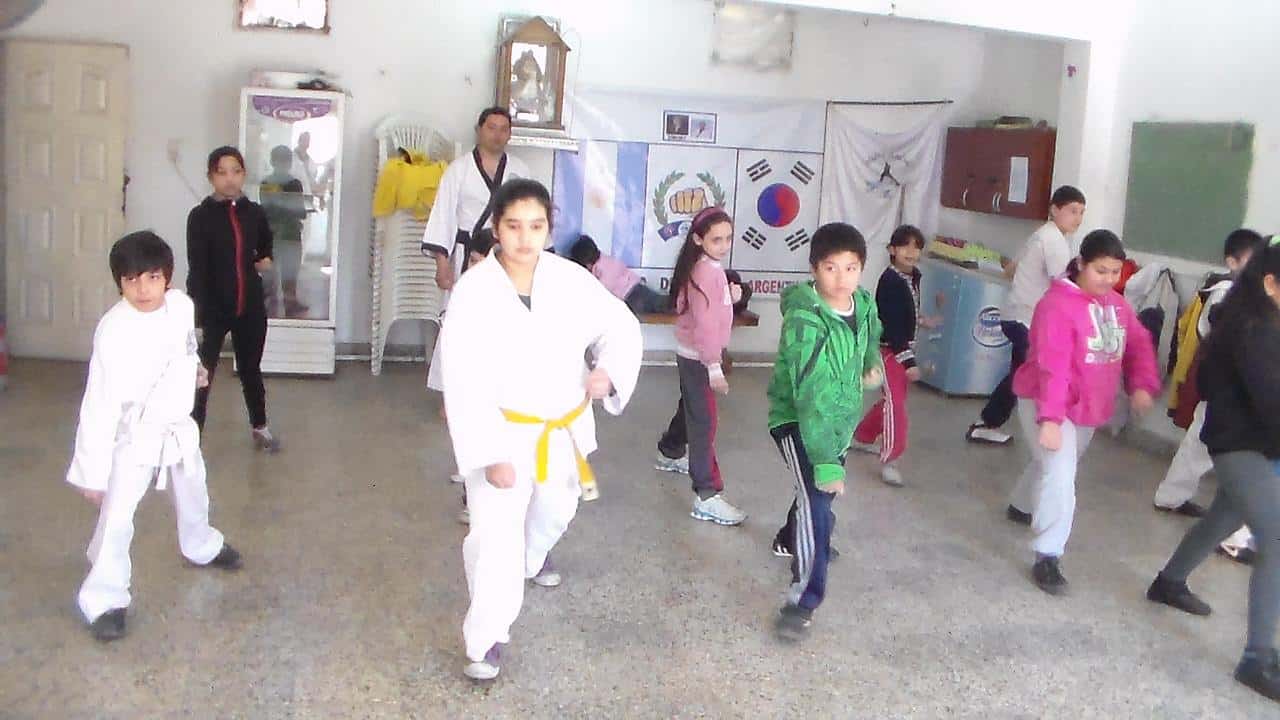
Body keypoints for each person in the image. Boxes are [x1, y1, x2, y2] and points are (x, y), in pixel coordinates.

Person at [440, 179, 642, 681]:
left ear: (549, 230)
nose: (524, 238)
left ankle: (530, 559)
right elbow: (461, 377)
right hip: (503, 431)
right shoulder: (474, 292)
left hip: (561, 429)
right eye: (513, 226)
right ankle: (486, 638)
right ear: (496, 228)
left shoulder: (570, 279)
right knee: (494, 537)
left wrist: (608, 371)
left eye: (535, 226)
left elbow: (620, 326)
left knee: (556, 510)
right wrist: (489, 453)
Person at [68, 231, 242, 642]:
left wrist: (195, 371)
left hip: (178, 428)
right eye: (131, 280)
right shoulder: (114, 330)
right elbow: (99, 403)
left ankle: (201, 544)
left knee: (194, 491)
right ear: (120, 283)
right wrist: (92, 473)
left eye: (152, 277)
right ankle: (104, 600)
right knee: (117, 515)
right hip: (135, 437)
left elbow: (185, 347)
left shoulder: (181, 306)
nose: (143, 289)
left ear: (167, 277)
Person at [1145, 239, 1280, 702]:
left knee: (1223, 516)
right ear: (1270, 283)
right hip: (1240, 445)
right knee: (1276, 536)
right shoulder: (1252, 328)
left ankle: (1169, 582)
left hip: (1254, 442)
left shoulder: (1263, 319)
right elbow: (1272, 401)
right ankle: (1257, 658)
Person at [1005, 230, 1160, 595]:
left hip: (1087, 406)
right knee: (1061, 473)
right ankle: (1048, 555)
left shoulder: (1117, 305)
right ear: (1081, 264)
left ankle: (1020, 505)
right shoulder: (1056, 306)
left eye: (1115, 272)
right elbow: (1053, 366)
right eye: (1100, 271)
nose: (1109, 279)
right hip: (1045, 399)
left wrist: (1141, 384)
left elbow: (1138, 344)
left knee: (1054, 463)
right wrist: (1050, 419)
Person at [766, 222, 883, 640]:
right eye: (831, 268)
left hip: (839, 421)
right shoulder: (804, 321)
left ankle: (790, 537)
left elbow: (871, 330)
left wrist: (870, 361)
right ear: (814, 268)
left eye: (851, 268)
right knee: (818, 500)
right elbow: (811, 395)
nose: (842, 279)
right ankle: (802, 601)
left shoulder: (862, 303)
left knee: (816, 496)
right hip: (799, 421)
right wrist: (826, 462)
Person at [1153, 229, 1264, 528]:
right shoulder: (1225, 292)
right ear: (1232, 261)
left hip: (1236, 387)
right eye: (1252, 260)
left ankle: (1174, 496)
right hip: (1223, 386)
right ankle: (1171, 497)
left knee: (1204, 447)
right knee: (1199, 445)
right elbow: (1218, 335)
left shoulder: (1250, 294)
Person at [967, 186, 1086, 444]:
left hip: (1014, 314)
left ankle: (990, 422)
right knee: (1026, 373)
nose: (1077, 218)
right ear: (1054, 209)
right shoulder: (1054, 241)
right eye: (1072, 211)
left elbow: (1010, 268)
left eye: (1081, 213)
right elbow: (1063, 284)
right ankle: (989, 422)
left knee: (1021, 371)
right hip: (1027, 318)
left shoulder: (1041, 234)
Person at [654, 207, 747, 526]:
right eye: (716, 239)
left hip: (694, 355)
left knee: (692, 408)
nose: (724, 245)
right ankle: (707, 494)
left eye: (728, 238)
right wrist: (713, 366)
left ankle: (670, 449)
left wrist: (730, 296)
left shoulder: (704, 268)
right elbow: (705, 324)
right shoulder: (706, 272)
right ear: (698, 239)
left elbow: (703, 308)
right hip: (699, 357)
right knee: (704, 422)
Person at [187, 146, 280, 452]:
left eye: (236, 172)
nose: (229, 179)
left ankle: (260, 426)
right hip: (213, 310)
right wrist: (196, 314)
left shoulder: (254, 213)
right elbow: (197, 268)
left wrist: (264, 258)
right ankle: (191, 436)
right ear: (211, 177)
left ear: (244, 174)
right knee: (202, 374)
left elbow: (265, 244)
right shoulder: (200, 217)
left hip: (249, 307)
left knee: (251, 369)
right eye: (222, 172)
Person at [851, 224, 937, 486]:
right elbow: (890, 322)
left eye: (916, 247)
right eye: (904, 246)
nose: (911, 252)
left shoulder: (911, 277)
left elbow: (904, 313)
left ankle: (862, 436)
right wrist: (908, 361)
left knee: (891, 399)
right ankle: (891, 459)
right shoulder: (890, 281)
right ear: (892, 249)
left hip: (900, 348)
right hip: (888, 350)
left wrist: (922, 321)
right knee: (895, 404)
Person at [259, 144, 309, 317]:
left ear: (272, 161)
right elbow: (299, 210)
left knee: (270, 270)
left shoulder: (266, 183)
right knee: (290, 270)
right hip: (290, 233)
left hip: (271, 233)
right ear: (289, 162)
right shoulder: (294, 184)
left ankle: (269, 302)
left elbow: (265, 208)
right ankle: (290, 302)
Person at [569, 235, 668, 314]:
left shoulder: (599, 273)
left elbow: (603, 295)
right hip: (638, 287)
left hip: (630, 299)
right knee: (660, 303)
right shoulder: (605, 258)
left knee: (657, 308)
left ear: (587, 264)